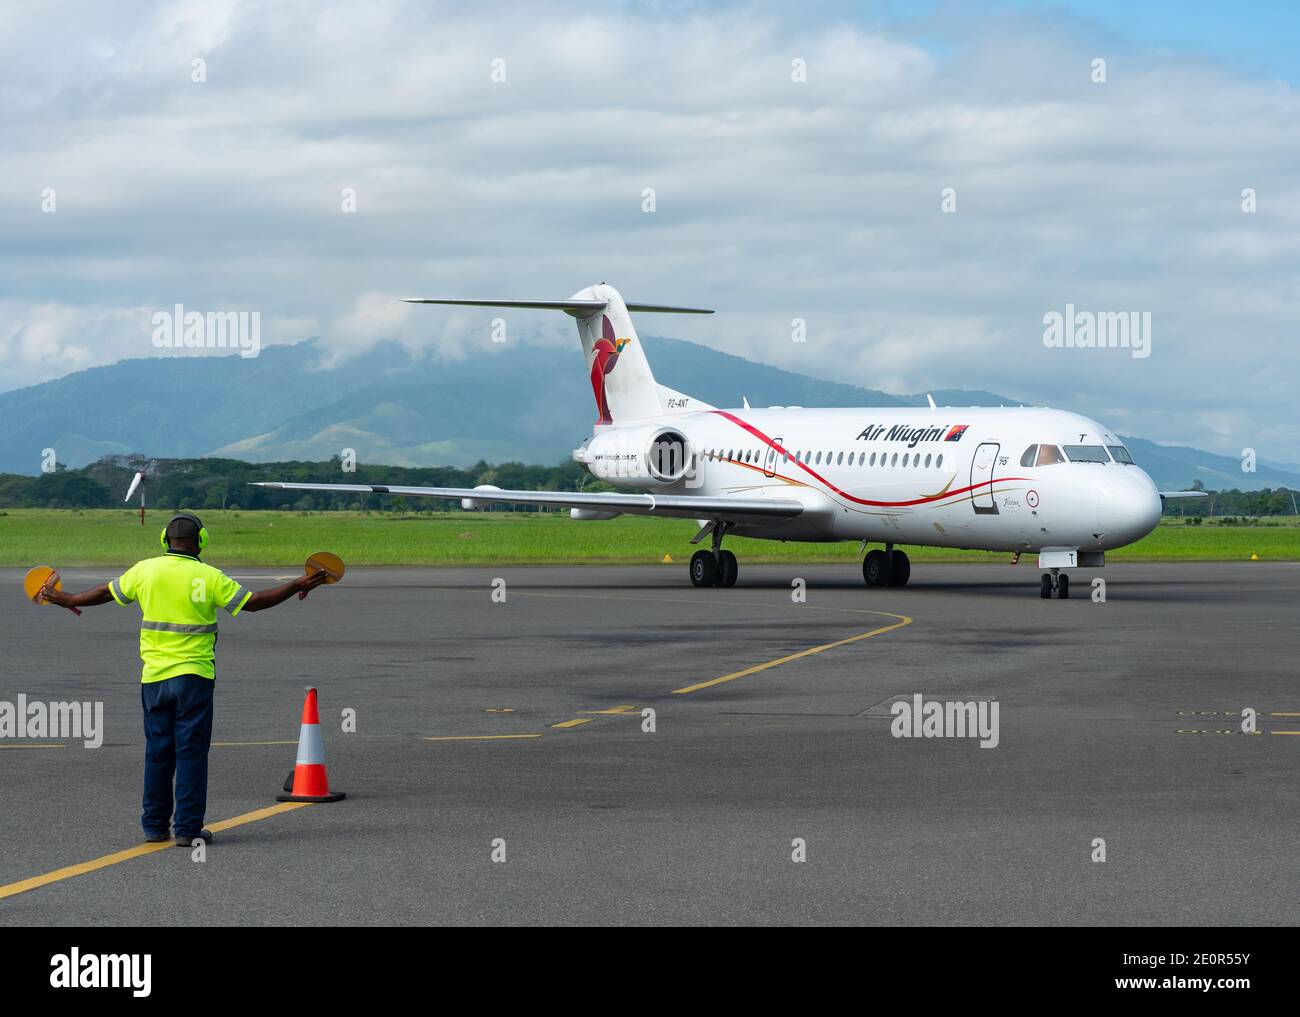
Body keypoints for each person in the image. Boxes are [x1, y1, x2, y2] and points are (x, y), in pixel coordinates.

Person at [38, 512, 330, 846]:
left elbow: (105, 593)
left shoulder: (145, 570)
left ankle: (154, 826)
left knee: (158, 752)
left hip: (154, 678)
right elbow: (253, 604)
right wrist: (295, 584)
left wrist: (67, 599)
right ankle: (188, 829)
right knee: (191, 752)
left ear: (165, 540)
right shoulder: (209, 576)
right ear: (201, 541)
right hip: (193, 677)